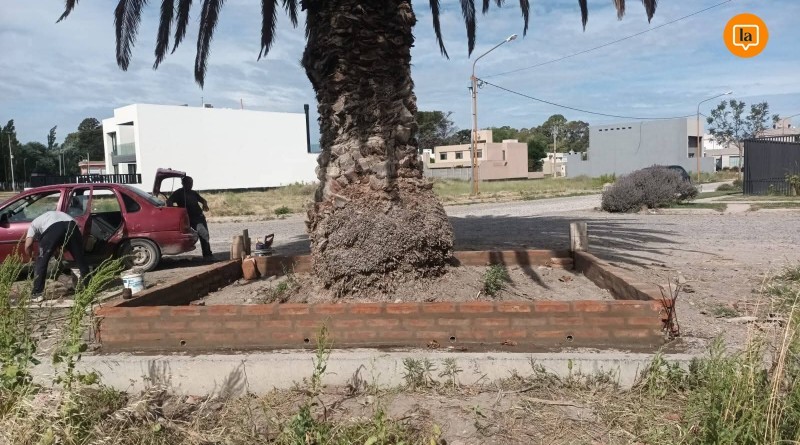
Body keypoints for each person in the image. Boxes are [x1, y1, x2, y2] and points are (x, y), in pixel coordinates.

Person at [25, 210, 91, 297]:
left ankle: (37, 293)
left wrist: (31, 257)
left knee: (41, 261)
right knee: (81, 260)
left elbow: (28, 245)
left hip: (53, 228)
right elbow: (62, 242)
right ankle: (90, 288)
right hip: (72, 225)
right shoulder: (54, 216)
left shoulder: (33, 224)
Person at [166, 176, 213, 259]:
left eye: (191, 183)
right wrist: (173, 209)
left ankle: (207, 254)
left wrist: (205, 205)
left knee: (204, 234)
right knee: (184, 236)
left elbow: (203, 200)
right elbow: (169, 201)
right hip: (186, 218)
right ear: (183, 183)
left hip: (198, 217)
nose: (190, 185)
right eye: (188, 183)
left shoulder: (193, 193)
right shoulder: (178, 193)